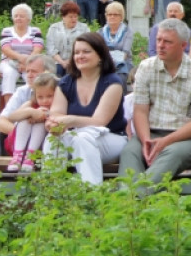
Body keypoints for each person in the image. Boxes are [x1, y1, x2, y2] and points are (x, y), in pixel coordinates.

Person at [119, 19, 191, 187]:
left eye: (167, 42)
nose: (161, 45)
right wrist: (147, 141)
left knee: (171, 154)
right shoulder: (146, 67)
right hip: (149, 132)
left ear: (183, 45)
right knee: (129, 152)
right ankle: (130, 198)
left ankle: (131, 201)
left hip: (186, 138)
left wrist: (165, 141)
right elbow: (140, 111)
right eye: (158, 40)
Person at [43, 33, 128, 184]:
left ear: (100, 55)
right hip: (76, 137)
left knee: (82, 138)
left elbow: (100, 121)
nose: (80, 56)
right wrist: (53, 124)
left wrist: (70, 120)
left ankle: (92, 194)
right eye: (76, 52)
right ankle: (51, 191)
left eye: (86, 52)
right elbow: (56, 114)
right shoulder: (66, 82)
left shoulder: (112, 83)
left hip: (111, 139)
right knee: (53, 138)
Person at [0, 54, 49, 156]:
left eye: (34, 71)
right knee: (4, 134)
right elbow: (1, 122)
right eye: (27, 71)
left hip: (47, 139)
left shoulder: (59, 89)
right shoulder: (23, 91)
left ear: (48, 73)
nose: (29, 75)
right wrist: (24, 134)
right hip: (21, 142)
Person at [5, 72, 58, 172]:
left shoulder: (58, 107)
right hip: (19, 143)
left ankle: (30, 157)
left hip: (41, 146)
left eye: (49, 96)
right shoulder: (31, 104)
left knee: (41, 124)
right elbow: (11, 117)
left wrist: (45, 115)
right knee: (24, 120)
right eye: (40, 97)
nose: (45, 101)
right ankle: (17, 155)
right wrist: (31, 112)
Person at [0, 4, 45, 105]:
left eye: (21, 16)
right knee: (9, 73)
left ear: (28, 19)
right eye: (16, 16)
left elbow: (38, 48)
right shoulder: (6, 31)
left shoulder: (35, 31)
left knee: (32, 75)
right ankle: (9, 107)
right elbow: (5, 49)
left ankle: (31, 105)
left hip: (31, 61)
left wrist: (27, 63)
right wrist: (21, 59)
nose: (18, 18)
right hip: (9, 61)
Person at [46, 1, 89, 76]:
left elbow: (87, 46)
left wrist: (70, 61)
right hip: (57, 61)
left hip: (76, 61)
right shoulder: (54, 28)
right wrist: (62, 62)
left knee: (71, 73)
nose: (74, 19)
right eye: (71, 16)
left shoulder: (84, 28)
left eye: (75, 16)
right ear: (63, 17)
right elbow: (50, 48)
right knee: (56, 73)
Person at [101, 2, 134, 82]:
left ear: (121, 17)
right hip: (105, 63)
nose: (112, 17)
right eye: (109, 14)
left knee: (119, 78)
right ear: (106, 16)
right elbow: (99, 52)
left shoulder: (127, 31)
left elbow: (125, 52)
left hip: (123, 63)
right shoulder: (100, 32)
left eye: (115, 15)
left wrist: (114, 64)